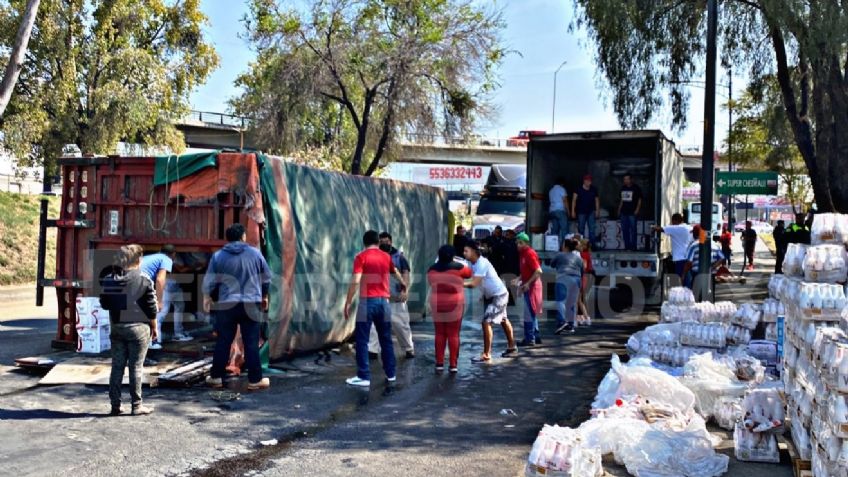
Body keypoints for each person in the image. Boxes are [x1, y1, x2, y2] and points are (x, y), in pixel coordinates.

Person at [202, 223, 272, 391]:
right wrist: (264, 295)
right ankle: (255, 380)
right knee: (251, 342)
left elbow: (209, 281)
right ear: (243, 237)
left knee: (223, 341)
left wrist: (206, 297)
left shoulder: (218, 256)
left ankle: (216, 377)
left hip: (227, 304)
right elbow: (266, 278)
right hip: (251, 303)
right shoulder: (255, 253)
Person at [342, 230, 408, 387]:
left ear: (364, 243)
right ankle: (391, 374)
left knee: (362, 340)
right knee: (386, 340)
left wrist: (348, 301)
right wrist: (403, 284)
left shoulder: (361, 257)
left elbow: (356, 280)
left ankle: (363, 376)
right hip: (384, 303)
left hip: (367, 302)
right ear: (378, 242)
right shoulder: (386, 257)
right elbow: (396, 272)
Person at [99, 244, 158, 416]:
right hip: (139, 329)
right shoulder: (144, 278)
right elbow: (151, 306)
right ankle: (137, 406)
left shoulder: (109, 279)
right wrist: (154, 326)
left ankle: (115, 406)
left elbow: (104, 303)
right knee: (136, 367)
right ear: (138, 260)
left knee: (117, 367)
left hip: (117, 328)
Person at [464, 241, 518, 362]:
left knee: (486, 322)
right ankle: (512, 347)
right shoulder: (472, 263)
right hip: (497, 295)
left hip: (499, 295)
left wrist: (457, 283)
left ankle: (486, 354)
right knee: (503, 320)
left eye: (466, 251)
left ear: (474, 251)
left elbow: (473, 283)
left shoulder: (482, 263)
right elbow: (479, 280)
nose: (464, 253)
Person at [368, 232, 415, 360]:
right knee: (374, 325)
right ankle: (372, 350)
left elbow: (405, 274)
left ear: (391, 242)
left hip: (396, 298)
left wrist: (405, 291)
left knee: (400, 325)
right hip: (379, 297)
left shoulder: (399, 257)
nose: (384, 243)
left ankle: (408, 348)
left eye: (386, 241)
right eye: (381, 241)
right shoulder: (374, 256)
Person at [428, 245, 473, 373]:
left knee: (439, 333)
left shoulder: (431, 270)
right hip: (455, 304)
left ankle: (439, 363)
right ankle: (453, 364)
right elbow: (469, 273)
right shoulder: (459, 268)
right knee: (453, 334)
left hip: (437, 304)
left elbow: (431, 283)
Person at [512, 233, 544, 347]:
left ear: (526, 243)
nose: (518, 245)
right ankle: (536, 336)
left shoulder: (530, 253)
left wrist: (528, 283)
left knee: (529, 314)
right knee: (531, 313)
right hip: (528, 286)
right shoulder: (522, 254)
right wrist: (519, 279)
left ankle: (530, 339)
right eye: (517, 243)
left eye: (520, 243)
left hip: (533, 287)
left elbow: (538, 271)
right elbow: (526, 270)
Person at [141, 246, 173, 350]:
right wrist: (159, 301)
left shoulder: (151, 257)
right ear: (174, 254)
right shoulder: (166, 259)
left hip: (130, 280)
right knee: (154, 313)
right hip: (141, 283)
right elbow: (160, 279)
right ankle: (152, 342)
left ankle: (141, 342)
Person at [550, 239, 583, 335]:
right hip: (577, 279)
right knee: (571, 303)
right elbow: (582, 268)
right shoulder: (578, 258)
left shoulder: (560, 255)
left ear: (565, 246)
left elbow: (552, 264)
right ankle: (571, 325)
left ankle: (562, 322)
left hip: (563, 277)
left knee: (561, 301)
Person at [682, 225, 727, 289]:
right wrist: (712, 267)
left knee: (697, 295)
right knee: (710, 293)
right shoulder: (714, 244)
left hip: (697, 274)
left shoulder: (693, 245)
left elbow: (689, 262)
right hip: (711, 274)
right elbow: (722, 258)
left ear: (695, 234)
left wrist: (684, 274)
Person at [653, 213, 692, 281]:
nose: (672, 223)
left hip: (679, 260)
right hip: (689, 259)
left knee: (680, 280)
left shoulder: (675, 228)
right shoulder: (689, 228)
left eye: (672, 222)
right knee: (687, 280)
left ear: (675, 221)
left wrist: (652, 227)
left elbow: (660, 229)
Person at [571, 175, 600, 247]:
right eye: (587, 180)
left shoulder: (594, 189)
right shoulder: (578, 189)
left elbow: (597, 200)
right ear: (584, 181)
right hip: (581, 212)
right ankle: (582, 246)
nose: (588, 182)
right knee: (581, 229)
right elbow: (574, 200)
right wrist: (573, 211)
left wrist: (597, 210)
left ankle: (592, 245)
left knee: (592, 229)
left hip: (591, 211)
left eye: (589, 181)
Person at [617, 174, 643, 251]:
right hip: (624, 212)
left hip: (632, 212)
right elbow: (622, 200)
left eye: (627, 179)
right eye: (624, 179)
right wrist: (619, 209)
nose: (625, 181)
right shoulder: (623, 188)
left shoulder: (636, 188)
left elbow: (640, 199)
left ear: (631, 179)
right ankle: (627, 246)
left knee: (633, 230)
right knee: (625, 230)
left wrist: (637, 209)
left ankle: (633, 246)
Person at [576, 237, 594, 326]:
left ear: (583, 245)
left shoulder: (583, 254)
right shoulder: (587, 253)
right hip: (588, 276)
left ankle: (585, 317)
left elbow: (584, 267)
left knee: (579, 298)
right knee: (581, 298)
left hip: (584, 276)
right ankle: (581, 317)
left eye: (580, 244)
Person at [548, 178, 570, 244]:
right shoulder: (562, 189)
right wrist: (568, 211)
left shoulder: (551, 190)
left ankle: (553, 246)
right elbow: (565, 201)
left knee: (554, 230)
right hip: (560, 211)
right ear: (562, 184)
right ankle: (564, 246)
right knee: (564, 229)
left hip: (552, 212)